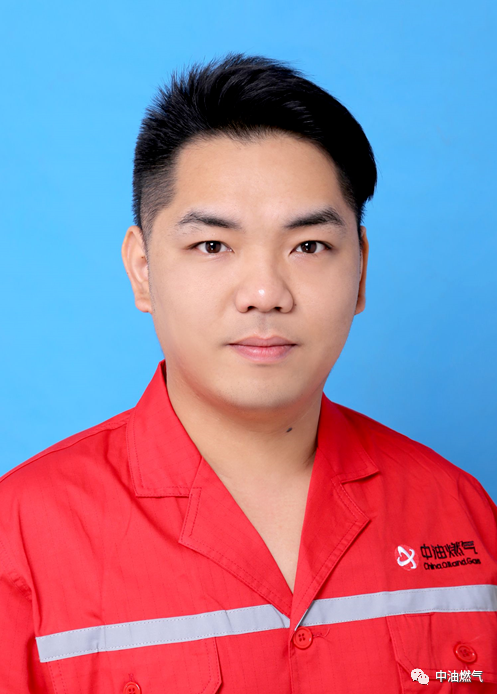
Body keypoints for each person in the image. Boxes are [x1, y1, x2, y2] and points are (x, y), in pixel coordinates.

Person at [1, 54, 496, 694]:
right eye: (213, 245)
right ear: (142, 270)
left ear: (361, 271)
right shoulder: (20, 537)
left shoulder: (459, 511)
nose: (265, 293)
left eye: (309, 246)